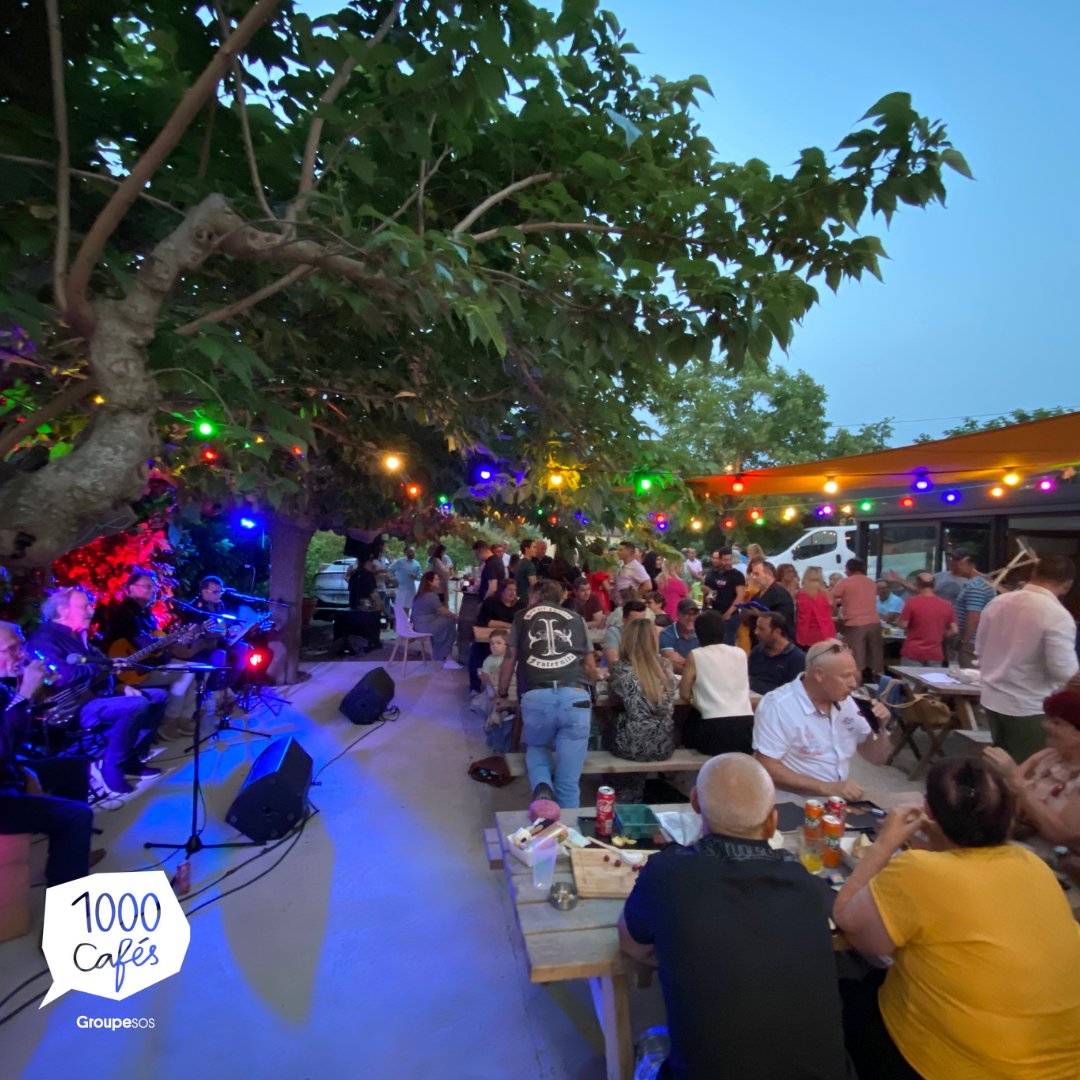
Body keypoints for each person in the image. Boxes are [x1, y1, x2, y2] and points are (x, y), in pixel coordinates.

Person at [834, 758, 1080, 1080]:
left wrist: (885, 845)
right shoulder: (1030, 863)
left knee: (842, 988)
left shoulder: (920, 871)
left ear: (928, 812)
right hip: (1062, 1065)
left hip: (957, 1065)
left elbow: (849, 922)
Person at [619, 754, 851, 1080]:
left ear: (695, 802)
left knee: (652, 1041)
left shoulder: (667, 873)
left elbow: (631, 944)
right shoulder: (805, 883)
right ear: (772, 822)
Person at [28, 587, 166, 796]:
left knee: (157, 697)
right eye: (85, 606)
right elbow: (63, 676)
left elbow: (101, 669)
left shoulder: (78, 635)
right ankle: (111, 766)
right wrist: (100, 666)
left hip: (95, 698)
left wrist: (122, 685)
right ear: (63, 610)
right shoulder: (45, 637)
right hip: (71, 708)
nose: (91, 611)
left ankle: (130, 757)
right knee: (136, 705)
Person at [0, 622, 104, 885]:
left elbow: (14, 739)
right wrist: (24, 694)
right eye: (11, 649)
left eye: (20, 646)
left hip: (9, 773)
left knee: (75, 766)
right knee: (77, 816)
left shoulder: (3, 685)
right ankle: (67, 904)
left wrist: (32, 696)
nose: (21, 654)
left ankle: (72, 857)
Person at [497, 580, 598, 808]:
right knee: (570, 782)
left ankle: (542, 788)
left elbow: (509, 658)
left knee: (537, 747)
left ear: (536, 596)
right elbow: (591, 666)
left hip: (537, 695)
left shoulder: (522, 616)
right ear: (560, 598)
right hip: (575, 696)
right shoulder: (577, 619)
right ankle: (569, 833)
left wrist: (502, 693)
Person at [753, 639, 894, 801]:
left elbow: (877, 759)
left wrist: (880, 728)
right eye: (846, 676)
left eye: (854, 675)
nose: (853, 684)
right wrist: (828, 788)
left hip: (838, 801)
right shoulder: (779, 706)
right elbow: (767, 767)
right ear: (819, 674)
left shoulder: (850, 702)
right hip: (794, 802)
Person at [977, 554, 1079, 761]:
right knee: (1028, 772)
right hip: (1029, 704)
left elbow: (979, 648)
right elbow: (1064, 671)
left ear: (1034, 573)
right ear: (1067, 585)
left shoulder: (998, 602)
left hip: (992, 697)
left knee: (1002, 765)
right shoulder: (1056, 614)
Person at [985, 688, 1080, 885]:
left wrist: (1019, 784)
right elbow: (1014, 792)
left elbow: (1062, 835)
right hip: (1024, 843)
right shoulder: (1049, 757)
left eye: (1057, 723)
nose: (1045, 725)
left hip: (1060, 862)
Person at [104, 569, 197, 739]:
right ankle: (168, 722)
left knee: (194, 669)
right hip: (131, 672)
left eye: (153, 587)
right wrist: (167, 640)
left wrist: (176, 639)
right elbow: (143, 644)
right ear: (130, 588)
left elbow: (156, 644)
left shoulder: (146, 613)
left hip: (150, 664)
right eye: (147, 586)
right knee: (185, 672)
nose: (152, 590)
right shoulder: (124, 614)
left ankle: (183, 719)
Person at [604, 619, 677, 802]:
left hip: (630, 743)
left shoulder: (620, 669)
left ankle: (620, 793)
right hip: (664, 742)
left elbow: (613, 700)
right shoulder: (665, 667)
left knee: (610, 725)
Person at [679, 609, 755, 756]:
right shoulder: (740, 653)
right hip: (745, 728)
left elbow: (684, 693)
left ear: (698, 633)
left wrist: (699, 702)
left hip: (714, 730)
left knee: (684, 726)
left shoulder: (696, 655)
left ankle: (674, 776)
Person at [830, 558, 882, 679]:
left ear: (849, 569)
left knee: (856, 662)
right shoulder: (871, 582)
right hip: (874, 623)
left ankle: (856, 690)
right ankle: (881, 687)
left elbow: (830, 598)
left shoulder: (845, 582)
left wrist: (836, 610)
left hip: (855, 624)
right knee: (876, 659)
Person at [468, 579, 522, 694]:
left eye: (515, 590)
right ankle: (475, 686)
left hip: (508, 639)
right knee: (477, 650)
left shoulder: (519, 605)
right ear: (502, 591)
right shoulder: (491, 602)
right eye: (509, 590)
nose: (513, 593)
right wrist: (508, 624)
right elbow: (486, 622)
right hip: (487, 636)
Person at [898, 572, 956, 667]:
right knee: (932, 681)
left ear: (917, 585)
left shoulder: (911, 602)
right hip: (935, 652)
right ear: (934, 585)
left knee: (910, 681)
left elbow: (903, 625)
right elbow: (954, 630)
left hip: (913, 651)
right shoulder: (947, 604)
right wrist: (940, 635)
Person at [953, 551, 995, 668]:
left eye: (960, 563)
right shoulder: (979, 584)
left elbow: (974, 617)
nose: (957, 566)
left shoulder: (976, 587)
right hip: (975, 640)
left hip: (972, 642)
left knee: (968, 676)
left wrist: (964, 641)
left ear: (971, 565)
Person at [411, 572, 461, 669]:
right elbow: (442, 611)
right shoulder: (430, 595)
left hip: (419, 625)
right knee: (450, 621)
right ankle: (447, 657)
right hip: (425, 627)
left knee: (446, 622)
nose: (439, 581)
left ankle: (442, 654)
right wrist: (456, 616)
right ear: (430, 582)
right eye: (437, 579)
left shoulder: (421, 594)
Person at [748, 611, 805, 695]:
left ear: (777, 631)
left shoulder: (797, 658)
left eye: (761, 629)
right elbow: (749, 676)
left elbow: (793, 692)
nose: (756, 632)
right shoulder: (757, 651)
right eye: (756, 628)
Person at [333, 558, 383, 654]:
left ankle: (354, 643)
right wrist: (380, 606)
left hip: (353, 604)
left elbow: (351, 587)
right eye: (371, 562)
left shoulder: (354, 575)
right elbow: (373, 592)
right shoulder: (368, 575)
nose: (373, 564)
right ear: (366, 563)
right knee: (372, 620)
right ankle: (371, 643)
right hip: (365, 606)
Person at [702, 548, 746, 646]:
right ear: (720, 559)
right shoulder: (712, 574)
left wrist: (729, 613)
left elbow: (740, 595)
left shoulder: (737, 575)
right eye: (725, 560)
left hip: (728, 615)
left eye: (729, 560)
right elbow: (707, 589)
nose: (727, 563)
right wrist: (709, 593)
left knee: (727, 644)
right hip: (713, 613)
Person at [795, 566, 837, 649]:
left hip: (805, 634)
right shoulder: (826, 594)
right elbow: (832, 609)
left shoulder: (799, 594)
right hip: (825, 633)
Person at [747, 558, 796, 627]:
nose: (754, 577)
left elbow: (784, 618)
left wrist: (760, 614)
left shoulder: (780, 594)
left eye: (757, 574)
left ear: (769, 574)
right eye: (753, 574)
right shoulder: (756, 596)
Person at [658, 598, 699, 676]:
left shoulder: (702, 631)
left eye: (694, 614)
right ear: (677, 614)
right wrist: (696, 670)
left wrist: (685, 663)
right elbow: (670, 661)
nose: (691, 618)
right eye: (686, 614)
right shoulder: (666, 633)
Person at [603, 599, 648, 667]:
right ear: (624, 620)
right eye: (634, 622)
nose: (639, 625)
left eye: (642, 621)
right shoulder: (614, 633)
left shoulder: (647, 633)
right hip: (618, 674)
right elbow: (614, 664)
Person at [388, 547, 423, 613]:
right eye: (410, 551)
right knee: (400, 609)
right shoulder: (400, 561)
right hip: (401, 588)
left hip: (411, 589)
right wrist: (393, 579)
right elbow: (390, 569)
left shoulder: (417, 564)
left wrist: (416, 577)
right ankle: (398, 622)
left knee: (408, 608)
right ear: (406, 553)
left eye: (413, 552)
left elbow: (420, 576)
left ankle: (405, 622)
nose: (412, 553)